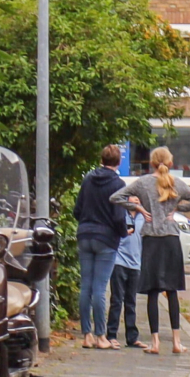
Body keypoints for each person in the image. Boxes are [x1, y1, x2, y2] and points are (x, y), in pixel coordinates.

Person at [110, 147, 190, 355]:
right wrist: (177, 209)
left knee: (153, 292)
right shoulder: (177, 183)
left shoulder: (142, 183)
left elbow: (115, 198)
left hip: (151, 239)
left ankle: (155, 343)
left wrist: (137, 208)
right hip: (171, 239)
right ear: (170, 163)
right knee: (171, 291)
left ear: (151, 163)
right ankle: (176, 341)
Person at [74, 145, 130, 350]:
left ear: (101, 159)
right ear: (118, 162)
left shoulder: (88, 179)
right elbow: (117, 216)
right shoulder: (118, 184)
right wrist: (124, 232)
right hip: (106, 239)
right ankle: (100, 336)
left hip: (85, 234)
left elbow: (77, 210)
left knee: (85, 286)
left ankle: (86, 335)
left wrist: (88, 223)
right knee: (99, 288)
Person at [106, 208, 147, 350]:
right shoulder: (120, 213)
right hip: (119, 261)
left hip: (136, 264)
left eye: (138, 197)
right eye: (133, 196)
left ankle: (132, 337)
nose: (136, 200)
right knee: (117, 299)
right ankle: (111, 335)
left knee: (131, 301)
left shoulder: (144, 216)